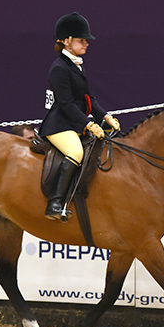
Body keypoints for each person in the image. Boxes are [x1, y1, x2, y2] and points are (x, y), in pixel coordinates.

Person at [38, 12, 120, 220]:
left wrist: (107, 117)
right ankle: (54, 203)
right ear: (66, 42)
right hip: (59, 124)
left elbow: (88, 99)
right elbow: (65, 104)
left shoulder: (76, 65)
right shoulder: (59, 69)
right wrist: (88, 124)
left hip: (73, 123)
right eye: (81, 40)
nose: (86, 44)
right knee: (76, 152)